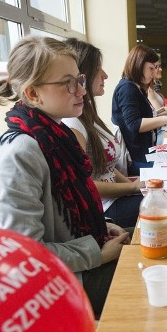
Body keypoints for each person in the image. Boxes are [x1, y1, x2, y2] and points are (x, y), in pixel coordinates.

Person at [0, 36, 130, 318]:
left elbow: (69, 215)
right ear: (34, 94)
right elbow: (26, 253)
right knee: (154, 269)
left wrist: (103, 226)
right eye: (68, 83)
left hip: (79, 259)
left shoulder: (56, 136)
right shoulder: (21, 153)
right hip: (57, 284)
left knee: (157, 240)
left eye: (80, 79)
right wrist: (96, 253)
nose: (81, 91)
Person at [62, 38, 142, 228]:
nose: (105, 75)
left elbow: (104, 166)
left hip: (114, 200)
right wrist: (132, 187)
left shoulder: (87, 113)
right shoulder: (72, 124)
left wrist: (135, 187)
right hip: (104, 210)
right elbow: (85, 185)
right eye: (99, 69)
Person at [112, 44, 167, 175]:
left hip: (143, 151)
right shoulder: (127, 88)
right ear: (138, 64)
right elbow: (134, 124)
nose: (154, 74)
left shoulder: (135, 86)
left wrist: (164, 112)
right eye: (151, 68)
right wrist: (166, 118)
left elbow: (143, 114)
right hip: (136, 158)